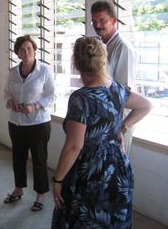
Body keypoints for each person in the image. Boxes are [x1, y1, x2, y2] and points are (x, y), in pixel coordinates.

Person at [51, 36, 153, 229]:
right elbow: (145, 106)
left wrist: (58, 179)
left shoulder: (81, 98)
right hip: (118, 167)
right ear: (104, 60)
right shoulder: (118, 90)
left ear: (76, 63)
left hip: (90, 170)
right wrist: (121, 128)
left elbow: (74, 146)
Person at [3, 35, 55, 211]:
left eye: (29, 49)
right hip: (16, 122)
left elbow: (52, 95)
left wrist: (35, 105)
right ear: (17, 53)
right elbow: (7, 93)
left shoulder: (45, 70)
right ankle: (18, 189)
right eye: (22, 50)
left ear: (34, 50)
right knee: (18, 158)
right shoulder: (13, 72)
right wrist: (11, 102)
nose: (26, 52)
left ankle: (41, 195)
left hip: (39, 123)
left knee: (39, 160)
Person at [91, 0, 138, 153]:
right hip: (104, 120)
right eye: (94, 21)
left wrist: (118, 129)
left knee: (116, 170)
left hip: (119, 123)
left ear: (114, 21)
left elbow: (124, 93)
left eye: (102, 20)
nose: (97, 25)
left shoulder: (123, 48)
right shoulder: (100, 46)